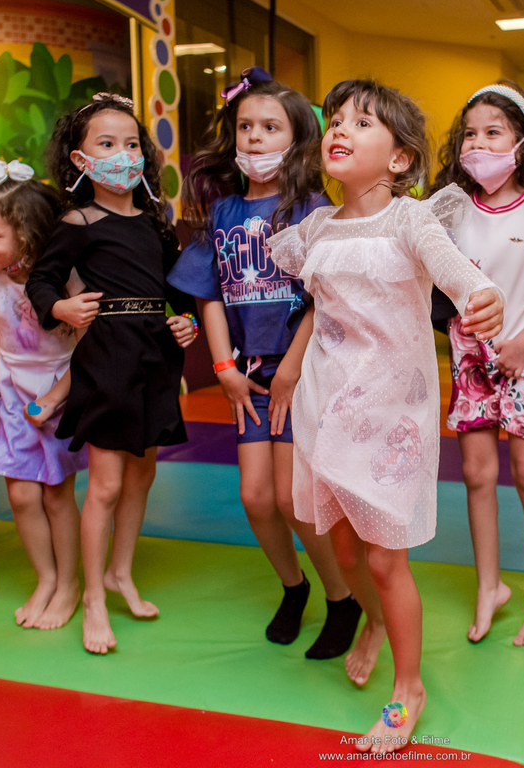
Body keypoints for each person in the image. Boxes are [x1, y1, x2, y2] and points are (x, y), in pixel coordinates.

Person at [268, 79, 504, 753]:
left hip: (391, 405)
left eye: (363, 123)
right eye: (336, 120)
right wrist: (288, 365)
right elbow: (322, 313)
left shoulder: (411, 219)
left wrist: (482, 296)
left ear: (400, 159)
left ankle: (408, 689)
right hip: (326, 401)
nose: (341, 129)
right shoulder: (314, 228)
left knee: (383, 554)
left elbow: (457, 273)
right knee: (339, 544)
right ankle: (371, 621)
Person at [168, 68, 360, 657]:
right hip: (245, 371)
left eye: (269, 126)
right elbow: (209, 294)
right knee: (255, 497)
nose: (254, 137)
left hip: (299, 368)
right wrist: (222, 366)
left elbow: (323, 299)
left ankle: (340, 598)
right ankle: (293, 586)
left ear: (298, 137)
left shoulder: (310, 208)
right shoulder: (222, 210)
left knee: (292, 498)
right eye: (245, 126)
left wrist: (291, 370)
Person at [26, 93, 197, 653]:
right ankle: (92, 600)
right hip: (106, 358)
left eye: (130, 145)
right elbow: (42, 281)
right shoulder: (78, 221)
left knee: (143, 474)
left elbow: (174, 292)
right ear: (81, 160)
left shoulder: (155, 224)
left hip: (153, 357)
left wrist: (185, 323)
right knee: (105, 483)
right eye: (107, 145)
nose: (122, 155)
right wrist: (62, 309)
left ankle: (119, 572)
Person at [428, 81, 524, 645]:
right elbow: (436, 279)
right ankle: (489, 586)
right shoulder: (451, 207)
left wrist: (521, 344)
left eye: (493, 132)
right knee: (476, 474)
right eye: (470, 133)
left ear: (522, 141)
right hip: (470, 357)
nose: (478, 143)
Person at [0, 158, 87, 630]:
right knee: (21, 498)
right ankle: (46, 579)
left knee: (57, 496)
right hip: (12, 392)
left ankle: (69, 585)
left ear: (30, 234)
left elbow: (86, 347)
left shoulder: (64, 279)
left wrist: (55, 398)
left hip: (57, 390)